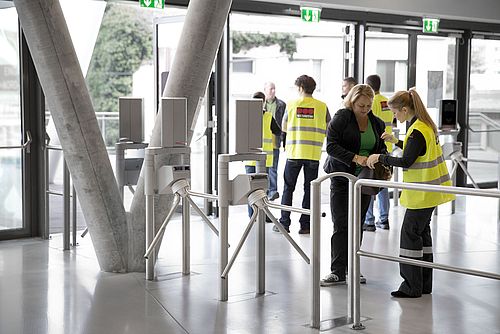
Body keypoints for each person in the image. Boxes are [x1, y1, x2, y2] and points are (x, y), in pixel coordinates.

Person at [366, 88, 455, 298]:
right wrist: (395, 141)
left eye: (396, 113)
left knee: (409, 236)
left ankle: (410, 286)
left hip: (421, 194)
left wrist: (380, 157)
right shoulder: (424, 126)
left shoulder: (416, 131)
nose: (395, 117)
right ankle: (423, 285)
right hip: (429, 192)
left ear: (405, 110)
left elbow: (407, 160)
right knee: (422, 237)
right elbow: (415, 150)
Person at [320, 84, 388, 286]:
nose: (365, 109)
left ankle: (353, 269)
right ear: (352, 101)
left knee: (357, 225)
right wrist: (355, 158)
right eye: (361, 106)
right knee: (341, 224)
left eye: (368, 106)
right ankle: (337, 271)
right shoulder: (342, 117)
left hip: (365, 180)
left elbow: (381, 147)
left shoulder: (377, 123)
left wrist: (381, 158)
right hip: (341, 177)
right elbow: (331, 146)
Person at [273, 75, 330, 234]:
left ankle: (284, 223)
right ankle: (305, 225)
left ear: (300, 88)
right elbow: (328, 128)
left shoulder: (291, 105)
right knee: (309, 190)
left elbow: (284, 127)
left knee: (288, 189)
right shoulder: (322, 106)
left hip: (294, 153)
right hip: (313, 154)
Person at [363, 74, 394, 232]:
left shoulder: (372, 103)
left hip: (373, 150)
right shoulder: (387, 102)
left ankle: (369, 220)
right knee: (383, 185)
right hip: (386, 148)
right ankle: (384, 219)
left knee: (368, 184)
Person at [245, 91, 275, 218]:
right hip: (264, 159)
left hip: (249, 158)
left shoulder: (246, 116)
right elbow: (278, 131)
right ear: (263, 102)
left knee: (250, 188)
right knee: (263, 188)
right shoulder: (268, 116)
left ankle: (252, 215)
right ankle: (264, 214)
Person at [264, 82, 287, 201]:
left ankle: (272, 191)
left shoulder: (281, 105)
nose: (273, 91)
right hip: (263, 144)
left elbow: (284, 125)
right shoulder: (260, 105)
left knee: (273, 168)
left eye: (274, 88)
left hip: (275, 142)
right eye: (270, 89)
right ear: (265, 90)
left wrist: (284, 142)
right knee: (264, 169)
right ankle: (265, 190)